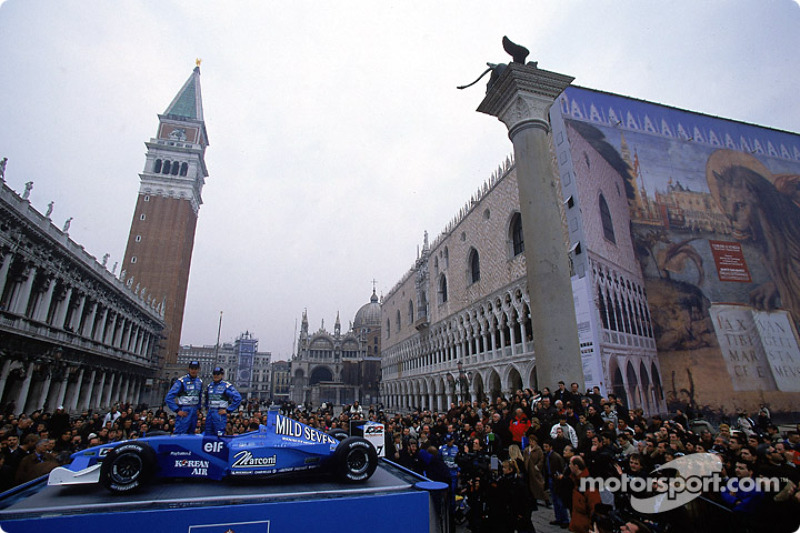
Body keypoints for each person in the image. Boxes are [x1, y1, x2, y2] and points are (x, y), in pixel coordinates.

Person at [165, 361, 203, 434]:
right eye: (192, 368)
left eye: (195, 368)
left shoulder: (199, 381)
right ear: (188, 369)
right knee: (180, 433)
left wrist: (198, 408)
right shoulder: (181, 381)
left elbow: (199, 396)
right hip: (184, 409)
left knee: (191, 434)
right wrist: (177, 410)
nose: (193, 370)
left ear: (199, 369)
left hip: (194, 411)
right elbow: (169, 397)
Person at [204, 367, 242, 436]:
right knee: (208, 434)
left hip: (219, 413)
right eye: (214, 374)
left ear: (222, 375)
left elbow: (238, 398)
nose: (216, 376)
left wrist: (228, 410)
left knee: (219, 435)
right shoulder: (210, 386)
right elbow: (206, 397)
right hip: (210, 413)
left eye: (218, 374)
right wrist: (206, 407)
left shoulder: (226, 386)